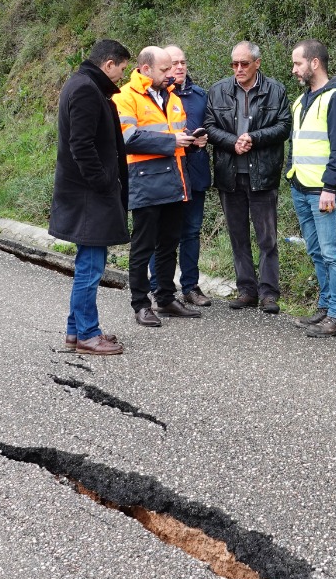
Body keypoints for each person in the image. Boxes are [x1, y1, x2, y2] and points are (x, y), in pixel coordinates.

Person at [48, 39, 131, 356]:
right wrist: (103, 182)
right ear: (108, 64)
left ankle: (75, 332)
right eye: (121, 69)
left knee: (89, 264)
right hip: (89, 196)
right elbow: (80, 145)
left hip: (87, 194)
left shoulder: (83, 84)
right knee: (91, 267)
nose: (121, 77)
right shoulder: (86, 89)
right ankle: (87, 334)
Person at [112, 45, 203, 327]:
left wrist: (192, 141)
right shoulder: (125, 97)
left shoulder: (173, 98)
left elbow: (177, 136)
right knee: (143, 248)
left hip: (176, 181)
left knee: (168, 245)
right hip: (145, 181)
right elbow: (127, 138)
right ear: (146, 69)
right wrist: (172, 142)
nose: (171, 73)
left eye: (172, 68)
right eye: (164, 69)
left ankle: (165, 298)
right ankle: (141, 304)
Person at [205, 41, 291, 314]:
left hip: (263, 174)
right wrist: (233, 142)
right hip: (229, 174)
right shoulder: (218, 91)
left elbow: (284, 126)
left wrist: (253, 138)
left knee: (267, 238)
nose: (238, 69)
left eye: (244, 63)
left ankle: (269, 294)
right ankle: (246, 291)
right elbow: (209, 126)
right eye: (234, 64)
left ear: (257, 63)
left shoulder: (275, 90)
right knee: (238, 235)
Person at [287, 39, 336, 337]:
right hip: (301, 186)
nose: (294, 70)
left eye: (297, 63)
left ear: (315, 63)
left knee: (332, 253)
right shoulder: (301, 101)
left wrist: (330, 187)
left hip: (323, 191)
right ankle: (326, 307)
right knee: (316, 251)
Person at [149, 45, 213, 306]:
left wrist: (206, 137)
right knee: (161, 235)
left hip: (194, 173)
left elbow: (212, 126)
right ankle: (158, 287)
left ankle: (191, 286)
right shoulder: (155, 97)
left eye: (183, 62)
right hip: (165, 174)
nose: (179, 67)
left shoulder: (201, 96)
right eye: (173, 63)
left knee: (192, 232)